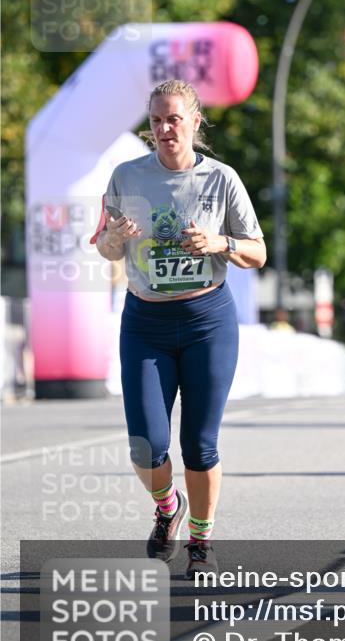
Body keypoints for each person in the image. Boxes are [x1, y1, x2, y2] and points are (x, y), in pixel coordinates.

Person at [92, 79, 266, 577]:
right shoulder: (126, 176)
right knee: (145, 443)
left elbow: (258, 253)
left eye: (173, 118)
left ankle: (201, 542)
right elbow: (104, 248)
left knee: (200, 443)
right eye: (155, 120)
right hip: (145, 321)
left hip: (206, 320)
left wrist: (219, 243)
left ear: (194, 121)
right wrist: (113, 237)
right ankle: (168, 507)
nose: (164, 128)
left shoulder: (222, 180)